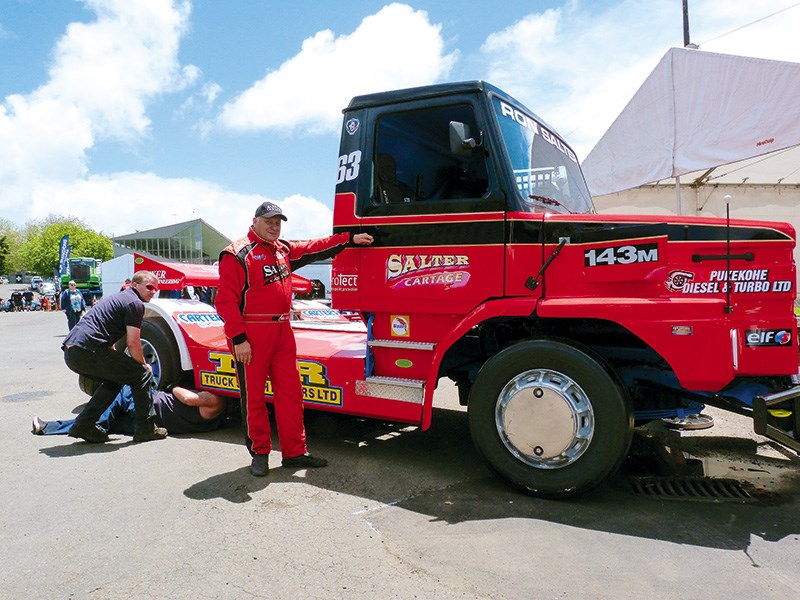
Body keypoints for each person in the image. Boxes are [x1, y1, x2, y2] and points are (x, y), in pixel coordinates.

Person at [215, 201, 374, 476]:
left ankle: (294, 452)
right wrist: (239, 338)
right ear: (254, 221)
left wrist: (348, 239)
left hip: (283, 330)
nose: (274, 227)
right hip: (252, 333)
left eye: (278, 222)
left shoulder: (283, 250)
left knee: (291, 393)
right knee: (254, 397)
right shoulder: (237, 254)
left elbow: (315, 246)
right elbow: (225, 302)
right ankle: (260, 454)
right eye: (269, 222)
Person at [61, 270, 166, 443]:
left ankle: (84, 425)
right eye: (148, 287)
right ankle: (145, 429)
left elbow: (108, 339)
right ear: (134, 285)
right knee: (142, 375)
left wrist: (121, 361)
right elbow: (133, 343)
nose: (153, 291)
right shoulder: (134, 303)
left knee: (116, 378)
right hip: (87, 349)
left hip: (74, 352)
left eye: (155, 288)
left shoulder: (119, 298)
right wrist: (143, 365)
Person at [32, 385, 233, 437]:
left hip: (150, 406)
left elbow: (187, 398)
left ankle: (97, 422)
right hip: (151, 423)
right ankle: (48, 427)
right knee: (102, 425)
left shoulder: (215, 400)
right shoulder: (219, 418)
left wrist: (174, 387)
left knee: (121, 389)